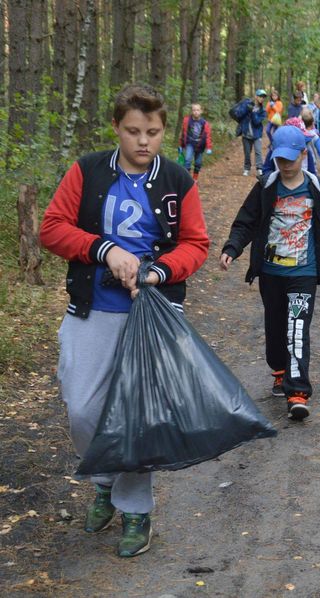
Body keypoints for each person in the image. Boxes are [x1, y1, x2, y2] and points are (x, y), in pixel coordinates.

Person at [39, 83, 210, 558]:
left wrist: (157, 270)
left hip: (152, 314)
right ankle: (104, 480)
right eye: (133, 131)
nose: (142, 142)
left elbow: (195, 244)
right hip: (92, 307)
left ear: (164, 132)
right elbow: (52, 228)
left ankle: (135, 508)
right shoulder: (88, 171)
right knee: (82, 407)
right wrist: (104, 249)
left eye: (152, 133)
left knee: (137, 415)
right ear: (116, 128)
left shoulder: (179, 180)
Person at [219, 126, 320, 421]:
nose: (286, 165)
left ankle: (298, 392)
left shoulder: (318, 187)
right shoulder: (266, 186)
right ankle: (279, 370)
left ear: (304, 154)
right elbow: (246, 222)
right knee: (276, 325)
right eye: (280, 159)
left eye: (291, 159)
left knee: (297, 329)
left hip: (304, 270)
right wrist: (232, 248)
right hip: (271, 271)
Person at [178, 103, 213, 181]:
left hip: (200, 145)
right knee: (187, 160)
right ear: (192, 111)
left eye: (197, 110)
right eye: (194, 110)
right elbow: (183, 132)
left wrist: (209, 147)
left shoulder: (204, 123)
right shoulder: (187, 120)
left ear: (201, 111)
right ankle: (187, 179)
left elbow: (208, 136)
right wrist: (180, 145)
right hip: (190, 143)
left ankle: (195, 178)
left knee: (198, 163)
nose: (196, 112)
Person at [239, 89, 267, 177]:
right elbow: (240, 115)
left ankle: (259, 168)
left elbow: (257, 122)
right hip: (246, 133)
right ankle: (247, 168)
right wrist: (247, 109)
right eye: (260, 96)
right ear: (256, 96)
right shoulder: (247, 104)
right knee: (247, 152)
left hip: (257, 134)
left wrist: (253, 112)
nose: (262, 98)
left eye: (263, 97)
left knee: (258, 151)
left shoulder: (263, 111)